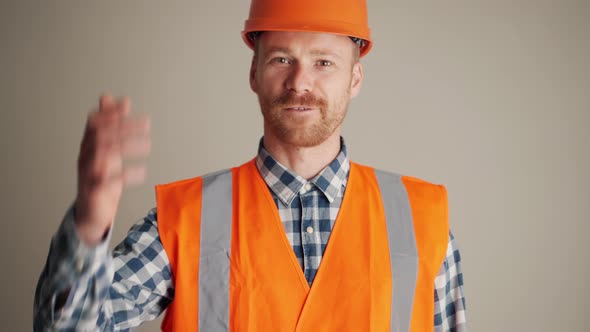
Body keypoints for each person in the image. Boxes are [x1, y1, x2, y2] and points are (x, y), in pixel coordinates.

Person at [34, 0, 466, 331]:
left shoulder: (420, 218)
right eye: (282, 59)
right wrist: (89, 226)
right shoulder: (186, 218)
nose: (300, 81)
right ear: (254, 72)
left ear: (355, 78)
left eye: (323, 62)